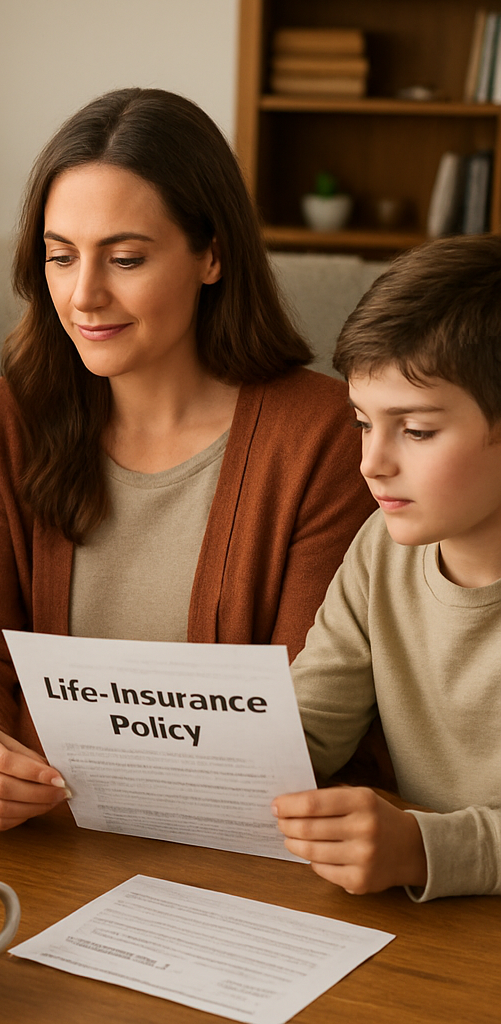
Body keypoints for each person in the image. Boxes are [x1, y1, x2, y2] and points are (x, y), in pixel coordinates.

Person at [0, 88, 376, 831]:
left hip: (232, 845)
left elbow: (305, 709)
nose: (84, 296)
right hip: (44, 836)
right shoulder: (5, 420)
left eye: (125, 258)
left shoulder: (320, 432)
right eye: (61, 257)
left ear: (212, 255)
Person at [273, 235, 501, 901]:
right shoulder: (382, 546)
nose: (373, 462)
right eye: (363, 423)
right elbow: (306, 730)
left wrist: (425, 849)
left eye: (418, 430)